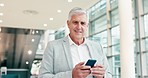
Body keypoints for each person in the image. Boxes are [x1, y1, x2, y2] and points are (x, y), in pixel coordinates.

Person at [38, 7, 112, 78]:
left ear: (87, 26)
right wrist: (71, 75)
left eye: (82, 23)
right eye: (75, 22)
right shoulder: (53, 47)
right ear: (68, 24)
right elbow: (42, 76)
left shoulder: (97, 47)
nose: (79, 27)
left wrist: (103, 76)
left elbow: (109, 74)